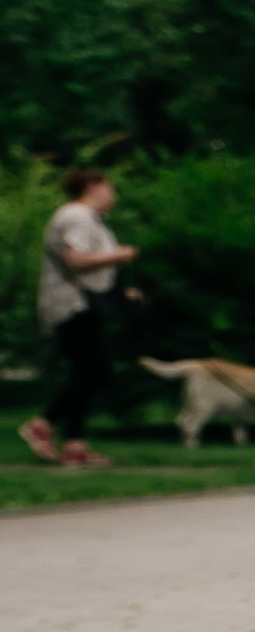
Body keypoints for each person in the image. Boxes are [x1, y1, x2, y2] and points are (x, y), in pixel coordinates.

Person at [20, 168, 139, 468]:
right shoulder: (76, 216)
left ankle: (75, 445)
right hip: (72, 305)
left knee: (85, 371)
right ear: (92, 186)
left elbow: (93, 272)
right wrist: (120, 256)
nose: (113, 196)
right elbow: (75, 260)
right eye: (109, 189)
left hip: (84, 304)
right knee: (94, 371)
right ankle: (43, 423)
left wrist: (120, 293)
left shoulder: (88, 220)